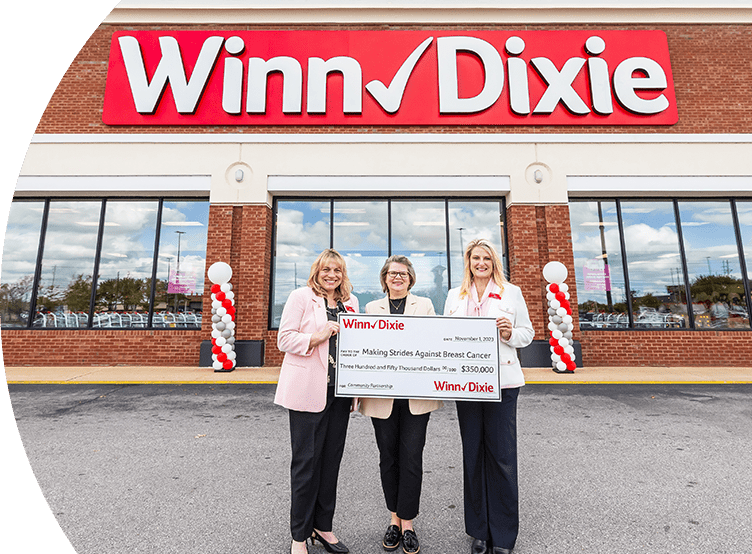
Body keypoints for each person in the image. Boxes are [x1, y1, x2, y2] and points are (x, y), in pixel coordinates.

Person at [443, 239, 534, 554]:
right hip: (465, 386)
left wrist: (510, 334)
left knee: (502, 458)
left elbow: (528, 333)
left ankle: (504, 535)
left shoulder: (512, 292)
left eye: (486, 258)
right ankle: (479, 531)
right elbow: (445, 339)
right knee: (473, 456)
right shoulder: (455, 296)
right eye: (475, 258)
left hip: (502, 385)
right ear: (468, 262)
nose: (480, 263)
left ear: (494, 261)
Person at [275, 249, 360, 554]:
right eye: (326, 269)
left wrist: (356, 389)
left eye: (337, 270)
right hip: (307, 391)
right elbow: (284, 339)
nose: (331, 275)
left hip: (338, 393)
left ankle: (323, 526)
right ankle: (299, 535)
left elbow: (357, 348)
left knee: (330, 463)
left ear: (343, 274)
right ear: (317, 271)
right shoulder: (301, 297)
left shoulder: (351, 303)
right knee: (306, 464)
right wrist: (317, 336)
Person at [360, 255, 443, 554]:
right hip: (382, 397)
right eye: (392, 274)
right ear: (384, 279)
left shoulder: (425, 306)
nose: (398, 278)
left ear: (411, 279)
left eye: (403, 274)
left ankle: (408, 523)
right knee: (388, 457)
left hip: (416, 396)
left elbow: (435, 343)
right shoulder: (371, 308)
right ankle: (393, 519)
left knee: (411, 457)